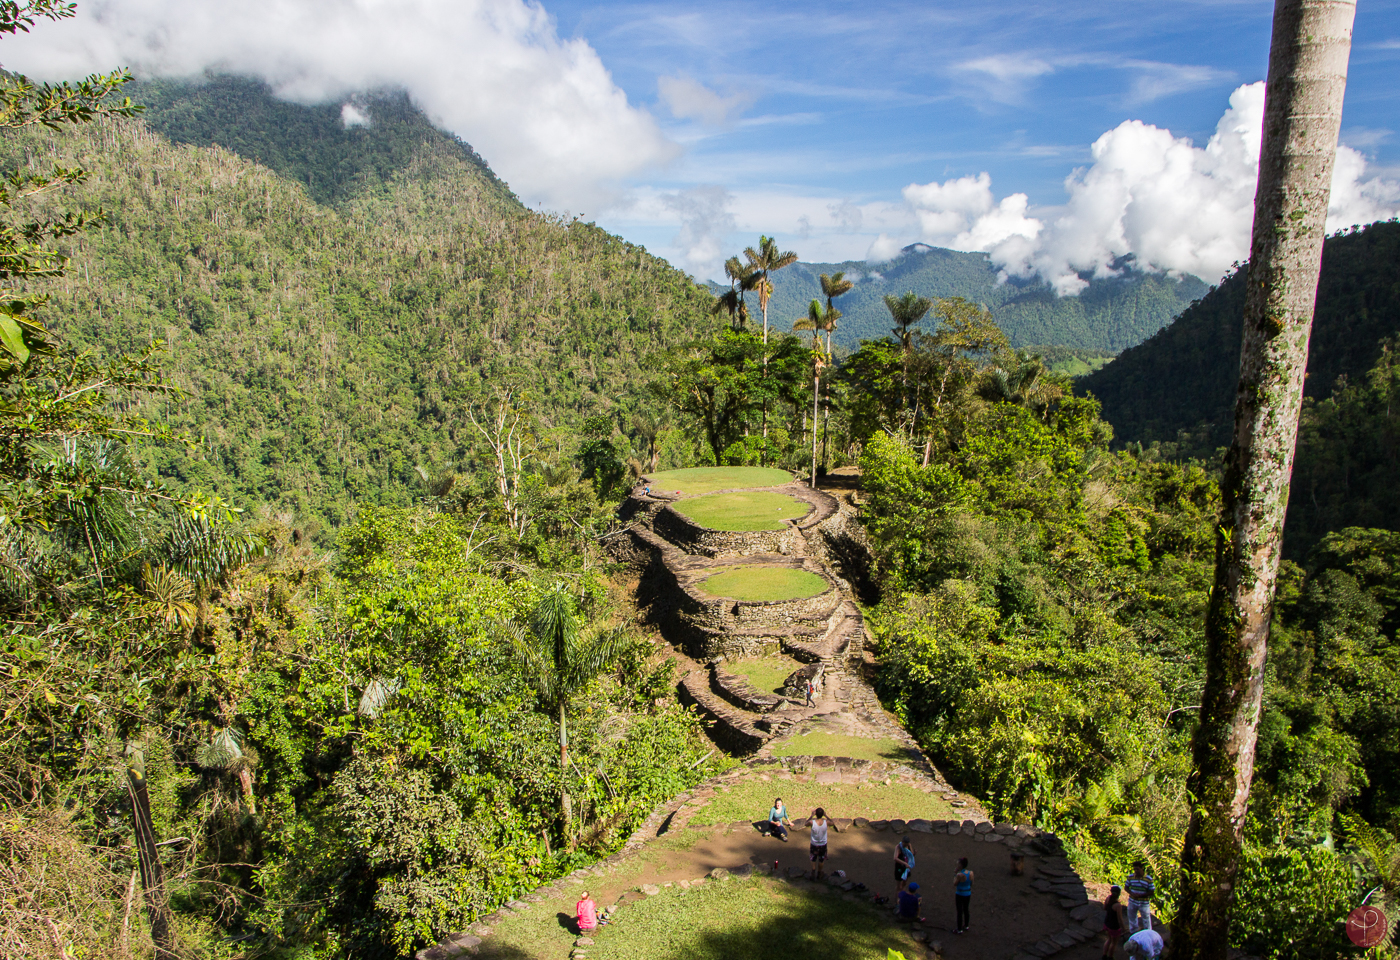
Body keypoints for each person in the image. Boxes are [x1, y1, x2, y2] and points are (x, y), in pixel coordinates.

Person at [808, 807, 840, 879]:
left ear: (816, 814)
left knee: (813, 858)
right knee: (821, 859)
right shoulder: (826, 822)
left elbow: (805, 823)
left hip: (814, 844)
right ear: (822, 814)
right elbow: (833, 823)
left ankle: (813, 871)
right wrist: (826, 816)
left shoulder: (812, 822)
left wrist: (811, 816)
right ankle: (819, 873)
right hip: (822, 844)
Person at [1124, 861, 1155, 933]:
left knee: (1146, 919)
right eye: (1135, 869)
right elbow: (1126, 887)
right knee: (1132, 917)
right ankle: (1133, 932)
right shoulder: (1131, 877)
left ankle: (1148, 933)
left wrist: (1141, 895)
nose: (1136, 871)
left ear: (1141, 869)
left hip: (1143, 902)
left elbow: (1152, 891)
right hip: (1132, 901)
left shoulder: (1148, 879)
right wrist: (1131, 893)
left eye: (1137, 869)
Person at [1102, 885, 1126, 958]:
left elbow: (1104, 908)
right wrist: (1123, 928)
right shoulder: (1118, 905)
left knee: (1109, 940)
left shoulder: (1108, 898)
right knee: (1114, 943)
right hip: (1114, 926)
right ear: (1119, 894)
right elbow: (1120, 918)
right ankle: (1110, 957)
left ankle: (1104, 955)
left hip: (1107, 923)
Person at [953, 857, 973, 934]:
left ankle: (959, 929)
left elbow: (955, 883)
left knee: (959, 911)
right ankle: (966, 925)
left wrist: (955, 874)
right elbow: (972, 883)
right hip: (968, 893)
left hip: (960, 893)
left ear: (961, 865)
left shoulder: (959, 875)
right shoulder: (971, 873)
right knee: (966, 909)